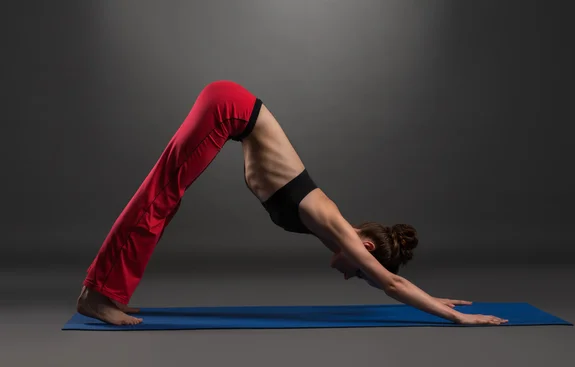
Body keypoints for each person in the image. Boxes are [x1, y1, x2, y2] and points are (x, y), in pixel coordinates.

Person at [76, 80, 508, 326]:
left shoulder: (330, 231)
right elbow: (390, 284)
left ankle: (106, 291)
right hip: (229, 109)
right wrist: (456, 318)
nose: (350, 277)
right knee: (159, 196)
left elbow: (388, 281)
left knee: (163, 199)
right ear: (366, 249)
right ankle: (97, 296)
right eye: (357, 272)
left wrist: (433, 299)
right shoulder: (333, 223)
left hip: (233, 113)